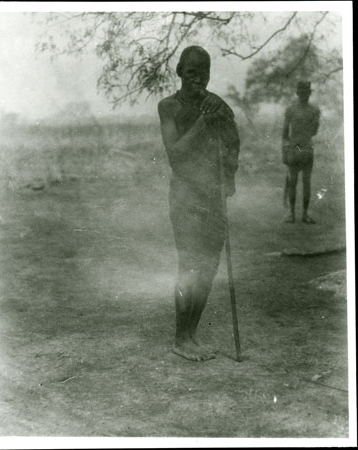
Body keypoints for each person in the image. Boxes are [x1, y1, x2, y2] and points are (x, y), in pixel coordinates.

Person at [158, 46, 240, 361]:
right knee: (191, 266)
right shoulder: (168, 106)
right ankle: (180, 339)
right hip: (186, 198)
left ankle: (192, 336)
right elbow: (175, 154)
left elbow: (233, 144)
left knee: (208, 269)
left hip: (214, 197)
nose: (198, 79)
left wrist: (229, 175)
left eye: (204, 72)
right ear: (179, 72)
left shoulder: (218, 106)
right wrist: (205, 123)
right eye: (191, 72)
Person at [282, 81, 321, 224]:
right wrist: (285, 151)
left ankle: (299, 214)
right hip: (299, 148)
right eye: (302, 92)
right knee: (298, 182)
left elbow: (285, 133)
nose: (304, 95)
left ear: (308, 93)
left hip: (300, 148)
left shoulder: (294, 109)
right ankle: (296, 214)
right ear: (299, 93)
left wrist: (285, 150)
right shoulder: (311, 110)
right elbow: (314, 131)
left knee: (303, 182)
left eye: (306, 92)